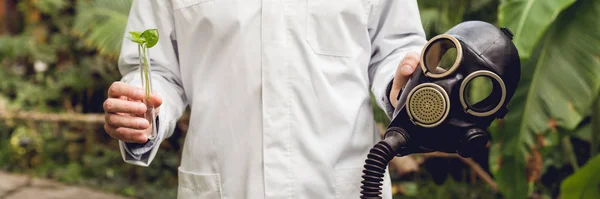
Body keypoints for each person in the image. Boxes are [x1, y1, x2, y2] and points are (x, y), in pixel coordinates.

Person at [102, 0, 427, 198]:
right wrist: (142, 108)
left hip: (341, 186)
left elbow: (396, 48)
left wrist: (405, 82)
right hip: (225, 185)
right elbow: (157, 69)